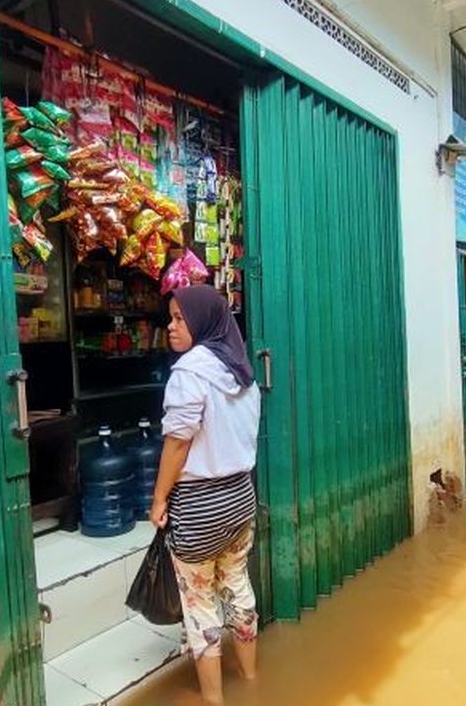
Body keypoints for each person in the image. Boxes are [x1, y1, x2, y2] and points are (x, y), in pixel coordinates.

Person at [150, 285, 262, 705]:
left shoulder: (189, 372)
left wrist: (159, 499)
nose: (171, 326)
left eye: (180, 319)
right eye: (171, 318)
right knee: (237, 586)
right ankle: (252, 680)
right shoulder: (242, 371)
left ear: (202, 322)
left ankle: (214, 700)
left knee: (200, 604)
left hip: (199, 506)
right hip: (241, 499)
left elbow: (178, 443)